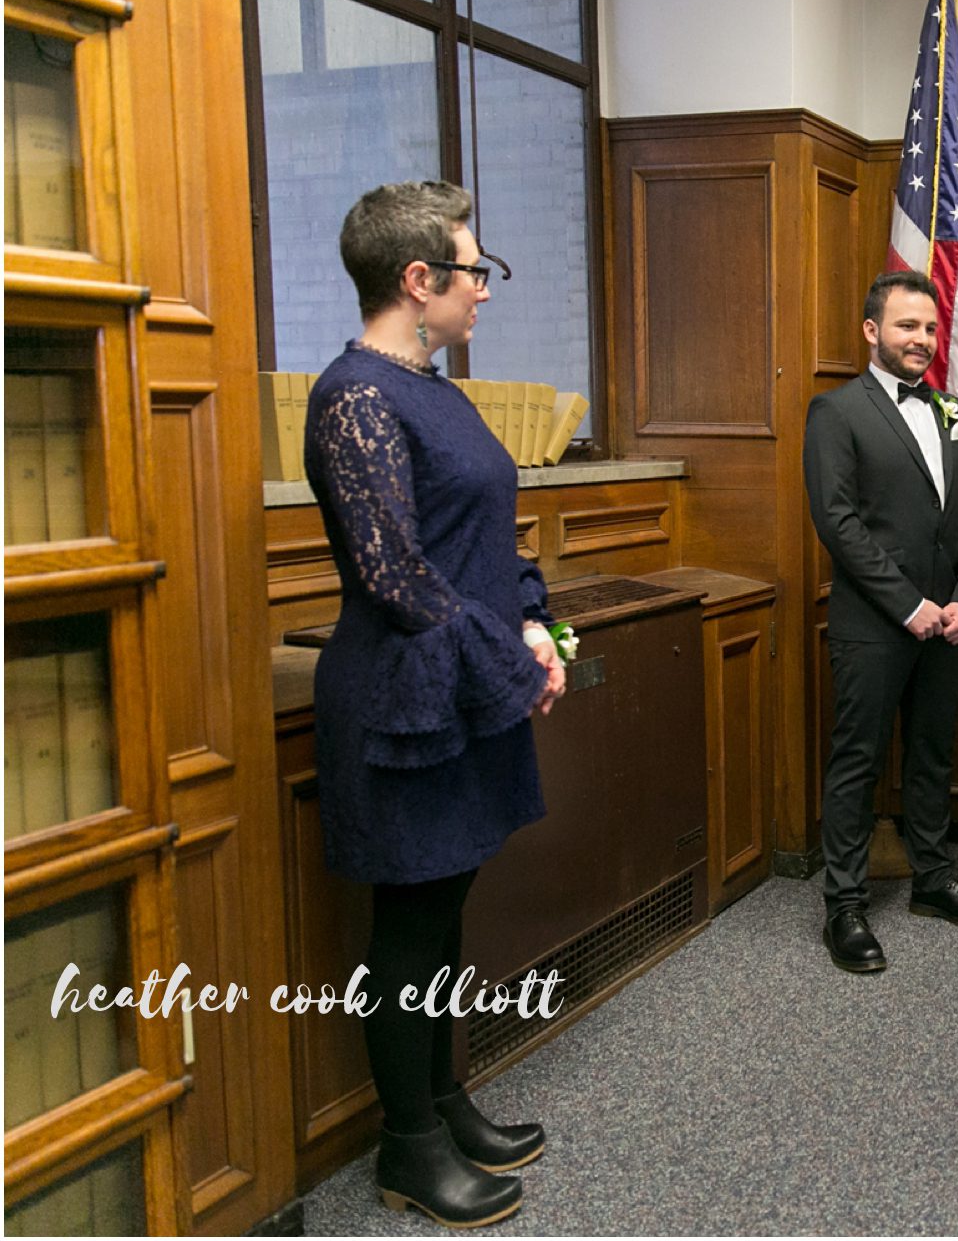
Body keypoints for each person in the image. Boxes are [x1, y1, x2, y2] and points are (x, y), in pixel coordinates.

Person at [305, 181, 565, 1228]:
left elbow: (486, 542)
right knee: (409, 928)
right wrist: (509, 666)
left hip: (461, 678)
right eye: (475, 272)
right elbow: (398, 578)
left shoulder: (437, 388)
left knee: (446, 910)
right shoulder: (355, 396)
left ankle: (444, 1097)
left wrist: (535, 622)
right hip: (405, 697)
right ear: (417, 282)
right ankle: (406, 1147)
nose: (483, 293)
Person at [803, 270, 958, 974]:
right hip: (874, 622)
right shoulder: (835, 412)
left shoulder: (952, 410)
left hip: (948, 619)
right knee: (858, 759)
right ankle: (845, 903)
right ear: (871, 332)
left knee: (932, 751)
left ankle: (932, 878)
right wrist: (908, 602)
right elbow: (838, 521)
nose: (921, 339)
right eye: (906, 326)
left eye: (928, 327)